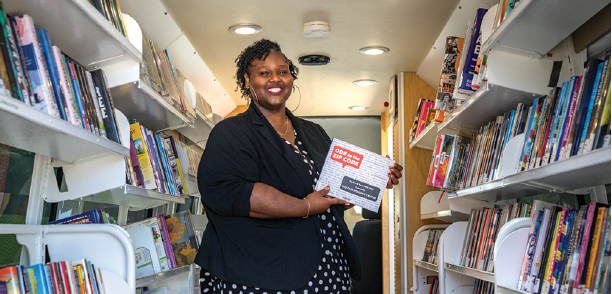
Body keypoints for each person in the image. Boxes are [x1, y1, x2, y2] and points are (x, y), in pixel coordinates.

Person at [195, 39, 403, 294]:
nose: (275, 79)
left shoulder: (313, 132)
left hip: (329, 269)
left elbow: (332, 188)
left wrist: (372, 180)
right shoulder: (231, 132)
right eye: (264, 73)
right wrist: (305, 205)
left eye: (282, 71)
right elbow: (233, 193)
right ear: (248, 81)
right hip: (262, 274)